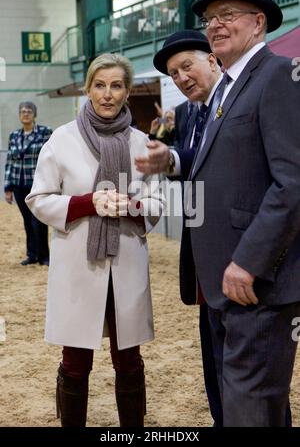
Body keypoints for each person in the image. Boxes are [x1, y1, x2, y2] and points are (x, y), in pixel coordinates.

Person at [26, 53, 164, 427]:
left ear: (127, 91)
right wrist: (89, 202)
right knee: (75, 361)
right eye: (100, 85)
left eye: (116, 85)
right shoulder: (61, 140)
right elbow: (38, 199)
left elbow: (156, 202)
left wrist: (130, 206)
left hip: (126, 263)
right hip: (79, 265)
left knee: (129, 360)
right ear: (88, 89)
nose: (107, 94)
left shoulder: (141, 143)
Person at [186, 0, 300, 426]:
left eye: (227, 15)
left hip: (258, 282)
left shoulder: (277, 76)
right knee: (251, 408)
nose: (215, 25)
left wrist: (250, 260)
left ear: (258, 22)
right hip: (223, 286)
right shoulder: (227, 88)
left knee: (249, 408)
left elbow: (292, 181)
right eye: (209, 19)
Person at [136, 29, 223, 426]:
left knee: (251, 376)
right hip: (202, 255)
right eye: (173, 73)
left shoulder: (239, 100)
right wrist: (166, 160)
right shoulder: (187, 114)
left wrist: (172, 158)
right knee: (215, 363)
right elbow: (191, 169)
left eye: (186, 66)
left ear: (212, 59)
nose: (181, 78)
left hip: (239, 255)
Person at [4, 101, 51, 265]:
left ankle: (44, 256)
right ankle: (32, 255)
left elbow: (51, 158)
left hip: (37, 185)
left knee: (38, 220)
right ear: (19, 115)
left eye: (29, 111)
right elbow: (10, 161)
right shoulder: (14, 135)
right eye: (22, 111)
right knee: (27, 221)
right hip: (18, 185)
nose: (25, 114)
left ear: (34, 114)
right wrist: (8, 187)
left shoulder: (44, 133)